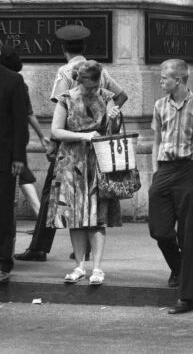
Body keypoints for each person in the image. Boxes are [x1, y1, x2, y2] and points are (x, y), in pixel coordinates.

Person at [15, 25, 128, 263]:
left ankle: (39, 247)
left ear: (63, 48)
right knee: (92, 195)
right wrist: (106, 117)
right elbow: (121, 95)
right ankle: (86, 248)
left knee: (52, 194)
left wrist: (54, 143)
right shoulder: (99, 69)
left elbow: (62, 107)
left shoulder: (67, 71)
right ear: (84, 47)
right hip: (96, 146)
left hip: (71, 146)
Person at [149, 59, 193, 314]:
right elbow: (157, 139)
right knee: (160, 230)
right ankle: (179, 268)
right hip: (165, 170)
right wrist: (156, 172)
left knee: (188, 235)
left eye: (164, 77)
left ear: (178, 80)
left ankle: (185, 296)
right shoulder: (159, 105)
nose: (161, 81)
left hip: (190, 171)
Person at [47, 61, 123, 286]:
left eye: (96, 85)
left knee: (96, 216)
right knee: (75, 216)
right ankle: (80, 265)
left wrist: (115, 118)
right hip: (71, 160)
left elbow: (112, 129)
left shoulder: (106, 96)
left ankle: (97, 267)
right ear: (79, 81)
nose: (93, 90)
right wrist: (83, 136)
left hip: (97, 159)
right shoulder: (66, 98)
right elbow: (56, 130)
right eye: (89, 87)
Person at [0, 46, 49, 218]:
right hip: (13, 147)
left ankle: (39, 213)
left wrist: (42, 136)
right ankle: (39, 214)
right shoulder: (16, 82)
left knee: (23, 177)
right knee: (24, 177)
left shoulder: (16, 83)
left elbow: (26, 115)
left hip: (11, 148)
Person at [0, 54, 29, 283]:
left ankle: (3, 262)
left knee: (3, 211)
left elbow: (20, 121)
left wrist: (19, 157)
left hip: (5, 157)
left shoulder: (12, 80)